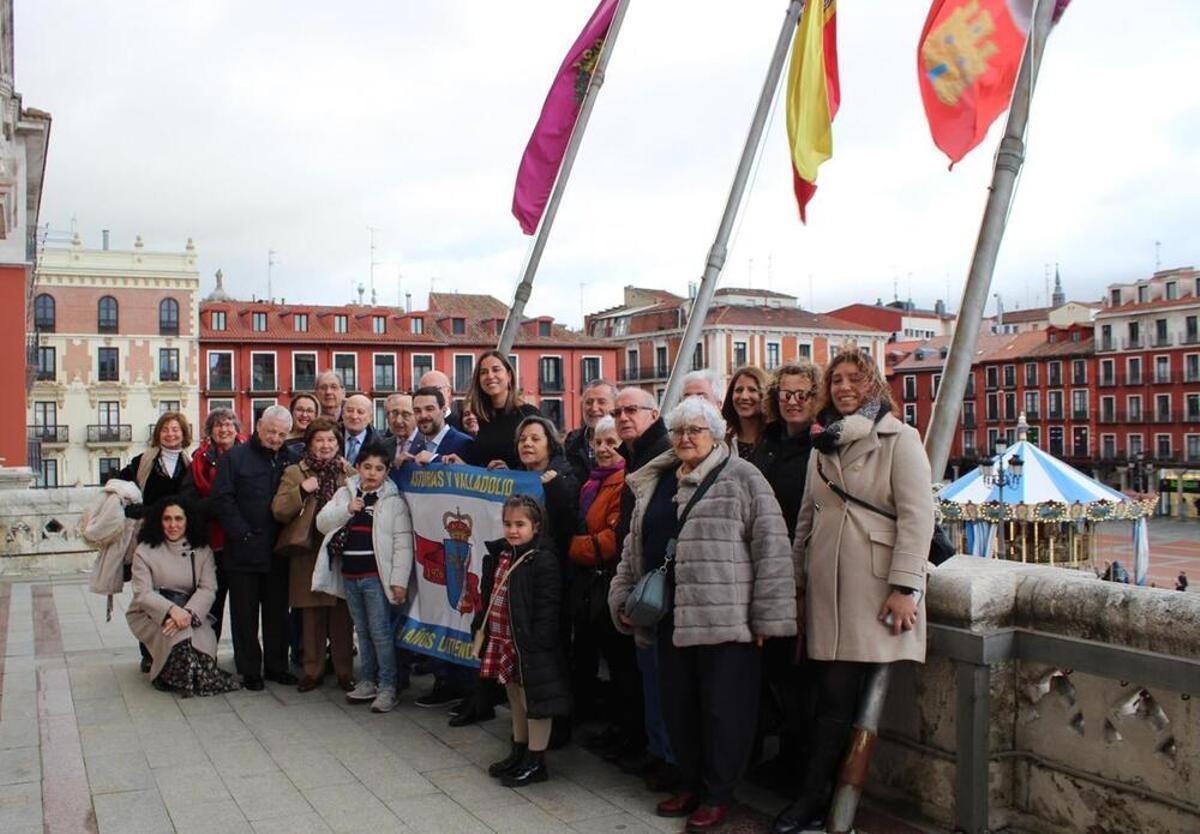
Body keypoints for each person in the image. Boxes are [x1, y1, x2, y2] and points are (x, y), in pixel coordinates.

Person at [609, 397, 796, 830]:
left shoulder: (743, 477)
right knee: (678, 707)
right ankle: (690, 782)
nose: (685, 438)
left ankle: (718, 793)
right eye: (679, 431)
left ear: (715, 434)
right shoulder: (658, 478)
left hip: (725, 618)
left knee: (723, 711)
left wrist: (769, 616)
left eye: (695, 430)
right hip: (668, 616)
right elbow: (634, 544)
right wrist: (621, 595)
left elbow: (772, 547)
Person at [779, 349, 934, 834]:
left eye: (855, 379)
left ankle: (814, 800)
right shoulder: (821, 443)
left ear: (874, 386)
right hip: (826, 587)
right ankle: (817, 798)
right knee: (822, 696)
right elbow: (806, 521)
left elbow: (918, 517)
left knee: (835, 698)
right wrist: (797, 585)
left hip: (873, 588)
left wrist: (906, 587)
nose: (845, 387)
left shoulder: (900, 439)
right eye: (837, 380)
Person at [747, 362, 821, 789]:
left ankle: (798, 766)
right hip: (764, 568)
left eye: (802, 394)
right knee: (774, 671)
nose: (793, 401)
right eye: (786, 394)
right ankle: (783, 759)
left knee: (799, 677)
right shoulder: (769, 442)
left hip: (800, 573)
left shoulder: (821, 444)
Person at [475, 495, 570, 787]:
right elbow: (489, 594)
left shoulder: (542, 559)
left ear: (536, 526)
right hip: (504, 639)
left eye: (520, 524)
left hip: (530, 646)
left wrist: (537, 641)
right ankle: (519, 749)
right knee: (514, 696)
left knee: (535, 701)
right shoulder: (501, 554)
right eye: (508, 524)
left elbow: (548, 605)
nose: (513, 530)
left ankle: (536, 759)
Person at [314, 442, 414, 713]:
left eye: (379, 469)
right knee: (362, 631)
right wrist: (347, 509)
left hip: (375, 577)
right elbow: (322, 522)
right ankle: (367, 680)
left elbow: (403, 544)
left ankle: (388, 686)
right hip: (350, 574)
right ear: (357, 468)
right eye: (367, 467)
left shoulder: (393, 502)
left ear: (387, 472)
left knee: (380, 632)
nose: (372, 473)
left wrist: (398, 581)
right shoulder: (345, 493)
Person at [211, 405, 296, 690]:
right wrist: (243, 534)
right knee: (244, 616)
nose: (275, 438)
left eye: (281, 434)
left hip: (278, 551)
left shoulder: (291, 459)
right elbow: (223, 500)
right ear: (259, 426)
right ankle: (249, 670)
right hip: (243, 550)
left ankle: (277, 666)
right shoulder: (234, 458)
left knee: (277, 614)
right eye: (271, 431)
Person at [271, 417, 355, 692]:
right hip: (308, 551)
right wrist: (300, 490)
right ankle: (312, 670)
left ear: (338, 444)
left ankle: (344, 671)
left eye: (331, 440)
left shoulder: (348, 472)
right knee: (311, 616)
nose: (325, 445)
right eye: (319, 440)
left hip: (339, 551)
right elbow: (279, 510)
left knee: (342, 616)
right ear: (309, 444)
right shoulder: (296, 471)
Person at [125, 497, 239, 697]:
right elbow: (143, 593)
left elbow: (208, 588)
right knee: (180, 640)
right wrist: (171, 611)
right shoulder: (144, 551)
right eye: (167, 519)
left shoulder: (202, 550)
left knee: (203, 649)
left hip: (191, 611)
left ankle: (191, 673)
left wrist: (188, 613)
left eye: (178, 519)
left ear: (188, 521)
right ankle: (169, 673)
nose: (173, 525)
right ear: (159, 521)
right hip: (153, 613)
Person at [117, 411, 196, 672]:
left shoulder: (190, 464)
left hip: (179, 542)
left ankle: (173, 650)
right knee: (149, 597)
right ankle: (149, 652)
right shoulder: (142, 462)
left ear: (184, 434)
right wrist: (139, 509)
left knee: (176, 595)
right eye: (165, 429)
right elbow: (120, 489)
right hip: (149, 539)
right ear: (158, 434)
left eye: (175, 430)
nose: (170, 434)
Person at [566, 417, 626, 725]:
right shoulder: (592, 482)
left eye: (611, 442)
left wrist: (572, 547)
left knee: (616, 659)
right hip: (589, 583)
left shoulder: (622, 481)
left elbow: (612, 539)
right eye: (598, 442)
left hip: (607, 580)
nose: (603, 448)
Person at [190, 408, 244, 643]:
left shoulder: (249, 454)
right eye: (218, 425)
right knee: (213, 602)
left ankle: (245, 657)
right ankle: (207, 652)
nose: (224, 429)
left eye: (229, 424)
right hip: (213, 542)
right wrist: (220, 504)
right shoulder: (199, 459)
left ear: (237, 429)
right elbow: (191, 499)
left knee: (243, 606)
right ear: (210, 431)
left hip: (242, 541)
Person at [457, 350, 539, 469]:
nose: (490, 376)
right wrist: (460, 465)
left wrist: (510, 472)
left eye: (496, 370)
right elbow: (480, 462)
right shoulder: (482, 417)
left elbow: (546, 458)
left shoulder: (528, 415)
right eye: (483, 372)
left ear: (509, 376)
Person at [564, 380, 617, 484]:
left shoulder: (626, 439)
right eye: (588, 402)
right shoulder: (572, 442)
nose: (594, 408)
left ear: (615, 406)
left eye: (601, 402)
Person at [404, 386, 474, 464]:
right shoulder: (415, 448)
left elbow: (474, 471)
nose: (423, 415)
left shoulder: (464, 443)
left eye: (429, 409)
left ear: (444, 411)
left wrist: (434, 459)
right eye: (417, 411)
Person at [722, 365, 770, 460]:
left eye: (752, 390)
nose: (744, 396)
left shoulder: (776, 441)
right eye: (739, 390)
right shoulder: (722, 442)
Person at [381, 392, 418, 465]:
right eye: (394, 414)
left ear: (417, 416)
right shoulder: (382, 446)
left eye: (405, 415)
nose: (398, 420)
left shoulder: (428, 444)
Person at [285, 394, 320, 460]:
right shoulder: (280, 438)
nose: (304, 415)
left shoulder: (321, 439)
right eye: (299, 410)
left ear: (316, 415)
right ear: (291, 412)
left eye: (309, 411)